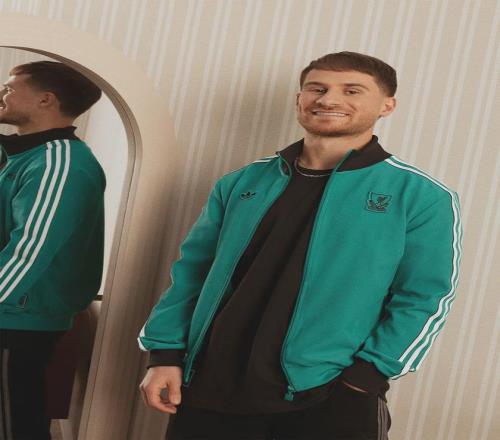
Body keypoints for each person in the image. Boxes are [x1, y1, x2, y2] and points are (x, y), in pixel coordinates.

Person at [139, 52, 462, 440]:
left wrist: (367, 375)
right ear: (299, 99)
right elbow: (192, 272)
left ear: (387, 105)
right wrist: (165, 355)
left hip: (326, 395)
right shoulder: (241, 183)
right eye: (317, 88)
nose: (328, 99)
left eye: (352, 90)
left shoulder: (419, 195)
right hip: (210, 386)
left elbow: (424, 296)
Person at [0, 61, 105, 440]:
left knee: (14, 426)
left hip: (16, 319)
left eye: (10, 88)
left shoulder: (59, 163)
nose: (1, 94)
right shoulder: (25, 155)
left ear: (45, 100)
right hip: (12, 312)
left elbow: (29, 251)